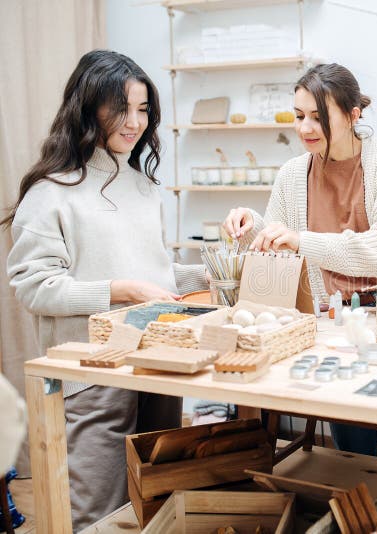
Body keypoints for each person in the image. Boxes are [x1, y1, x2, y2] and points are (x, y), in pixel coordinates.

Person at [4, 50, 208, 530]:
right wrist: (122, 290)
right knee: (99, 513)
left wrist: (211, 275)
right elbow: (35, 287)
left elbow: (151, 272)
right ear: (88, 107)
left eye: (143, 110)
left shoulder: (143, 187)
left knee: (155, 503)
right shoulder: (52, 191)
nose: (134, 122)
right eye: (122, 108)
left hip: (158, 363)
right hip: (93, 373)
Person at [223, 63, 377, 465]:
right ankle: (360, 502)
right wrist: (252, 226)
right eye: (300, 116)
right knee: (351, 436)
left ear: (353, 114)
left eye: (318, 117)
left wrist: (303, 240)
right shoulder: (292, 173)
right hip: (330, 324)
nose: (305, 127)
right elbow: (279, 248)